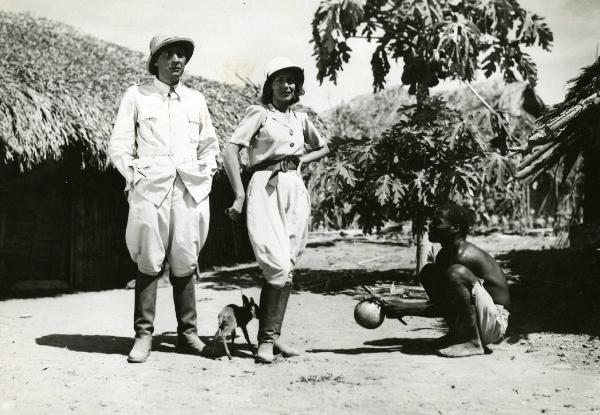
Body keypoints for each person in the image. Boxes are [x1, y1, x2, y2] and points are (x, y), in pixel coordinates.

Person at [109, 34, 219, 363]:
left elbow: (209, 146)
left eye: (182, 55)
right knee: (148, 258)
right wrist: (137, 177)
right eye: (169, 54)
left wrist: (204, 176)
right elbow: (120, 146)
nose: (177, 60)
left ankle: (188, 334)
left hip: (189, 190)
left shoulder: (195, 99)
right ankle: (144, 335)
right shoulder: (137, 96)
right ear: (155, 60)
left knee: (186, 257)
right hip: (150, 190)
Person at [222, 57, 329, 363]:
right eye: (279, 80)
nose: (286, 85)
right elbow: (231, 149)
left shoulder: (300, 119)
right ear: (269, 86)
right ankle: (265, 343)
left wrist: (299, 161)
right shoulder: (260, 114)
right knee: (277, 264)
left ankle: (274, 337)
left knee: (289, 265)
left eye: (292, 80)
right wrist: (240, 195)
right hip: (265, 186)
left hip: (294, 187)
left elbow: (323, 146)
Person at [384, 202, 511, 357]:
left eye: (437, 223)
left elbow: (447, 306)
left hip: (495, 323)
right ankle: (457, 335)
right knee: (428, 272)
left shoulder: (463, 256)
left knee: (455, 272)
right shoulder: (446, 254)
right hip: (482, 318)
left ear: (455, 228)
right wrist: (404, 308)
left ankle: (472, 342)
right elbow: (447, 304)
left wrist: (406, 308)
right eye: (431, 221)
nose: (430, 226)